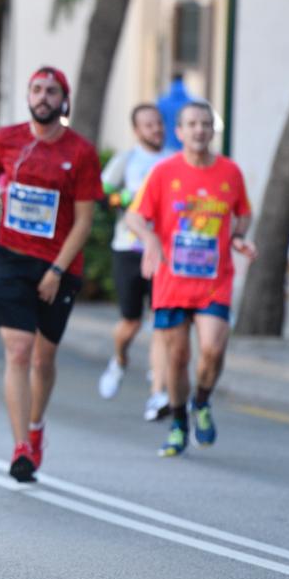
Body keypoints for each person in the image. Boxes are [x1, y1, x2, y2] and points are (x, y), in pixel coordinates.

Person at [0, 66, 103, 482]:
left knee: (44, 357)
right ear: (28, 95)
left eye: (52, 91)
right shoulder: (5, 140)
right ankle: (20, 447)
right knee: (18, 351)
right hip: (13, 259)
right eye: (36, 89)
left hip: (60, 264)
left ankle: (36, 427)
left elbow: (84, 221)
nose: (43, 97)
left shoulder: (81, 152)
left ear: (63, 100)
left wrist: (56, 269)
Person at [125, 101, 256, 457]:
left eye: (205, 124)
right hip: (171, 280)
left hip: (214, 280)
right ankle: (180, 423)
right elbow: (134, 217)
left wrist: (239, 236)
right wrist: (150, 238)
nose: (199, 130)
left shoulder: (230, 173)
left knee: (213, 349)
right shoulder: (165, 172)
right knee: (178, 359)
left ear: (213, 130)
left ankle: (202, 401)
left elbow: (243, 214)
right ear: (179, 132)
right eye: (191, 124)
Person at [97, 104, 172, 421]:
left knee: (163, 324)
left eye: (158, 124)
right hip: (128, 248)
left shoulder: (172, 161)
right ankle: (120, 359)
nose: (155, 129)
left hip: (164, 253)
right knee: (131, 322)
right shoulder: (127, 160)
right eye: (148, 125)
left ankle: (158, 392)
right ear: (137, 129)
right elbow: (103, 192)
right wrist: (127, 200)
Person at [157, 73, 192, 153]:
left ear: (171, 81)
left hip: (168, 145)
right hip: (187, 145)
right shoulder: (191, 101)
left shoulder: (162, 102)